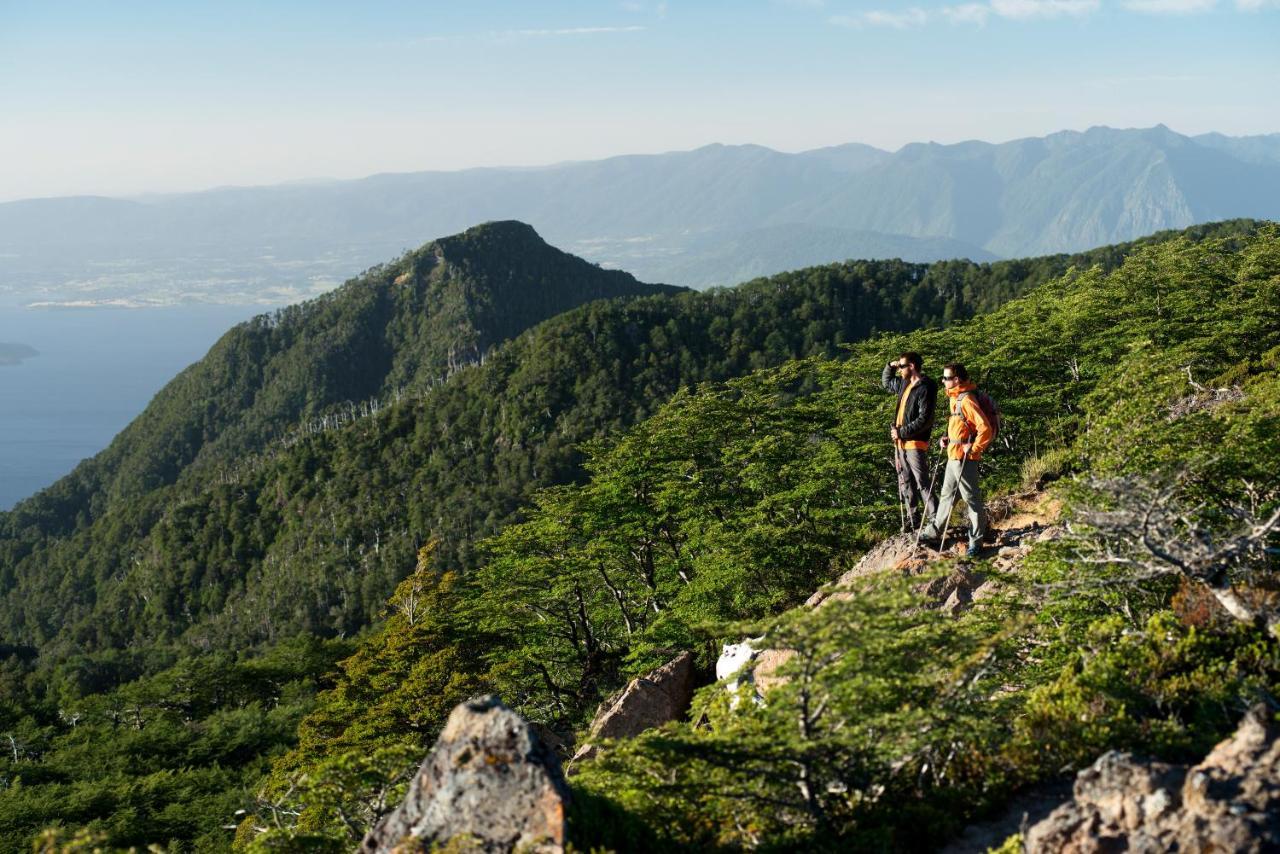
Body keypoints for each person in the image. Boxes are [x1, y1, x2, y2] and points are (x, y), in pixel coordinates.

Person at [918, 363, 993, 556]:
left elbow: (985, 429)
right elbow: (960, 425)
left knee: (972, 500)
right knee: (947, 496)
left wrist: (974, 448)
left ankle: (976, 542)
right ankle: (934, 532)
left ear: (957, 380)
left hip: (964, 458)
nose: (943, 381)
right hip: (954, 455)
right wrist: (948, 439)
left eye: (946, 378)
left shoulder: (966, 400)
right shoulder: (955, 398)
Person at [881, 352, 938, 533]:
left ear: (912, 366)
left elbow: (924, 419)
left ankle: (935, 519)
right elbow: (886, 382)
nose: (900, 370)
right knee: (905, 482)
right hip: (901, 444)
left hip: (914, 443)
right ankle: (912, 519)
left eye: (902, 366)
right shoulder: (904, 384)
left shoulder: (926, 387)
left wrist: (901, 432)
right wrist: (891, 364)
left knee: (922, 482)